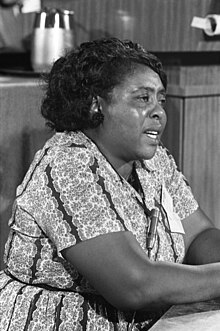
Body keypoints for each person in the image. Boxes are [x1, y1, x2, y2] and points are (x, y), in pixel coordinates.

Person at [1, 37, 220, 331]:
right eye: (143, 98)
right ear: (96, 104)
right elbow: (133, 284)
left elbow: (198, 235)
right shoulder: (67, 165)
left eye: (161, 99)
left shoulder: (155, 161)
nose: (159, 112)